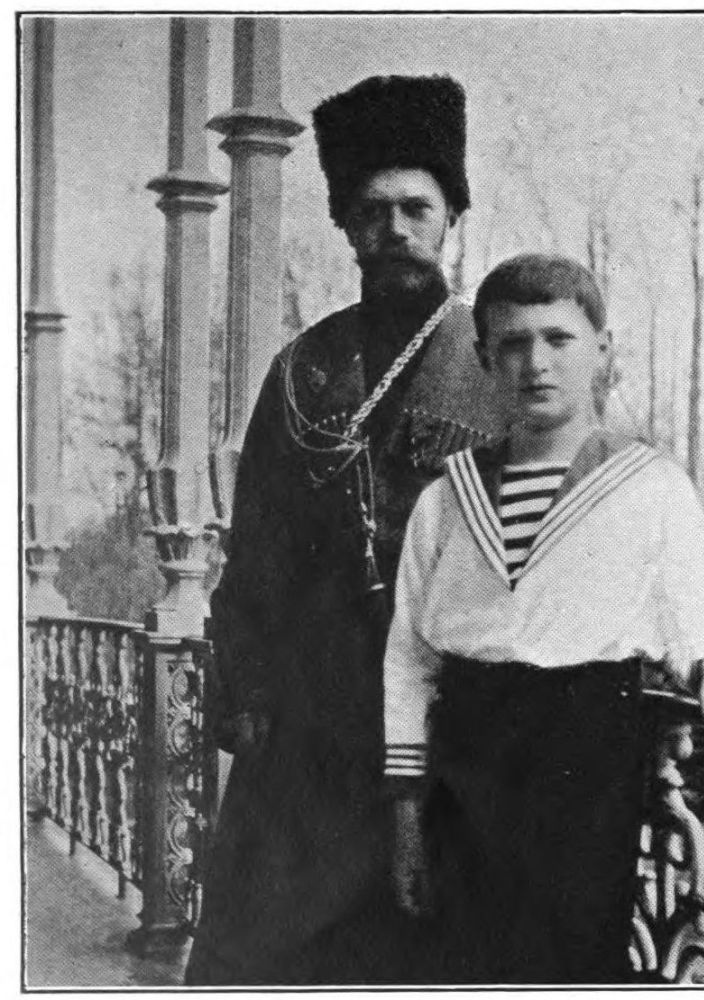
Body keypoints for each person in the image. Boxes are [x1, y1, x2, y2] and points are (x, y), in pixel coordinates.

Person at [383, 253, 704, 984]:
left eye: (558, 339)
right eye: (512, 343)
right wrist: (406, 816)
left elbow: (697, 617)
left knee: (569, 965)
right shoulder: (447, 497)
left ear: (602, 349)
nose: (536, 363)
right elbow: (410, 661)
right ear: (484, 358)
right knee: (458, 964)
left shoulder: (650, 486)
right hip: (465, 757)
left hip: (586, 754)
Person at [184, 75, 502, 986]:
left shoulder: (494, 364)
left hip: (444, 737)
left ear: (452, 218)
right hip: (308, 748)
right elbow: (254, 554)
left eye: (416, 208)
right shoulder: (304, 369)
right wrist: (246, 686)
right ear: (345, 226)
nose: (395, 228)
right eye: (371, 211)